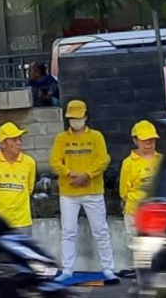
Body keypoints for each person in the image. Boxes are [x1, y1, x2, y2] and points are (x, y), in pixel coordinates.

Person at [50, 100, 117, 284]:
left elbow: (104, 159)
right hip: (68, 192)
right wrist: (69, 173)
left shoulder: (96, 137)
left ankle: (109, 269)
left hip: (93, 191)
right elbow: (55, 161)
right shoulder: (61, 138)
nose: (75, 121)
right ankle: (67, 270)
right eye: (72, 118)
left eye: (78, 117)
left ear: (86, 117)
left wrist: (87, 175)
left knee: (101, 231)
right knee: (68, 232)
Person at [0, 122, 37, 237]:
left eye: (20, 139)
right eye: (14, 140)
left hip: (22, 222)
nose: (19, 143)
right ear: (2, 143)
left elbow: (29, 189)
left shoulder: (29, 162)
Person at [120, 120, 162, 242]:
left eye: (151, 140)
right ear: (135, 140)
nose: (148, 143)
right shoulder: (128, 163)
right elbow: (124, 192)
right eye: (144, 140)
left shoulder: (162, 159)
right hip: (135, 213)